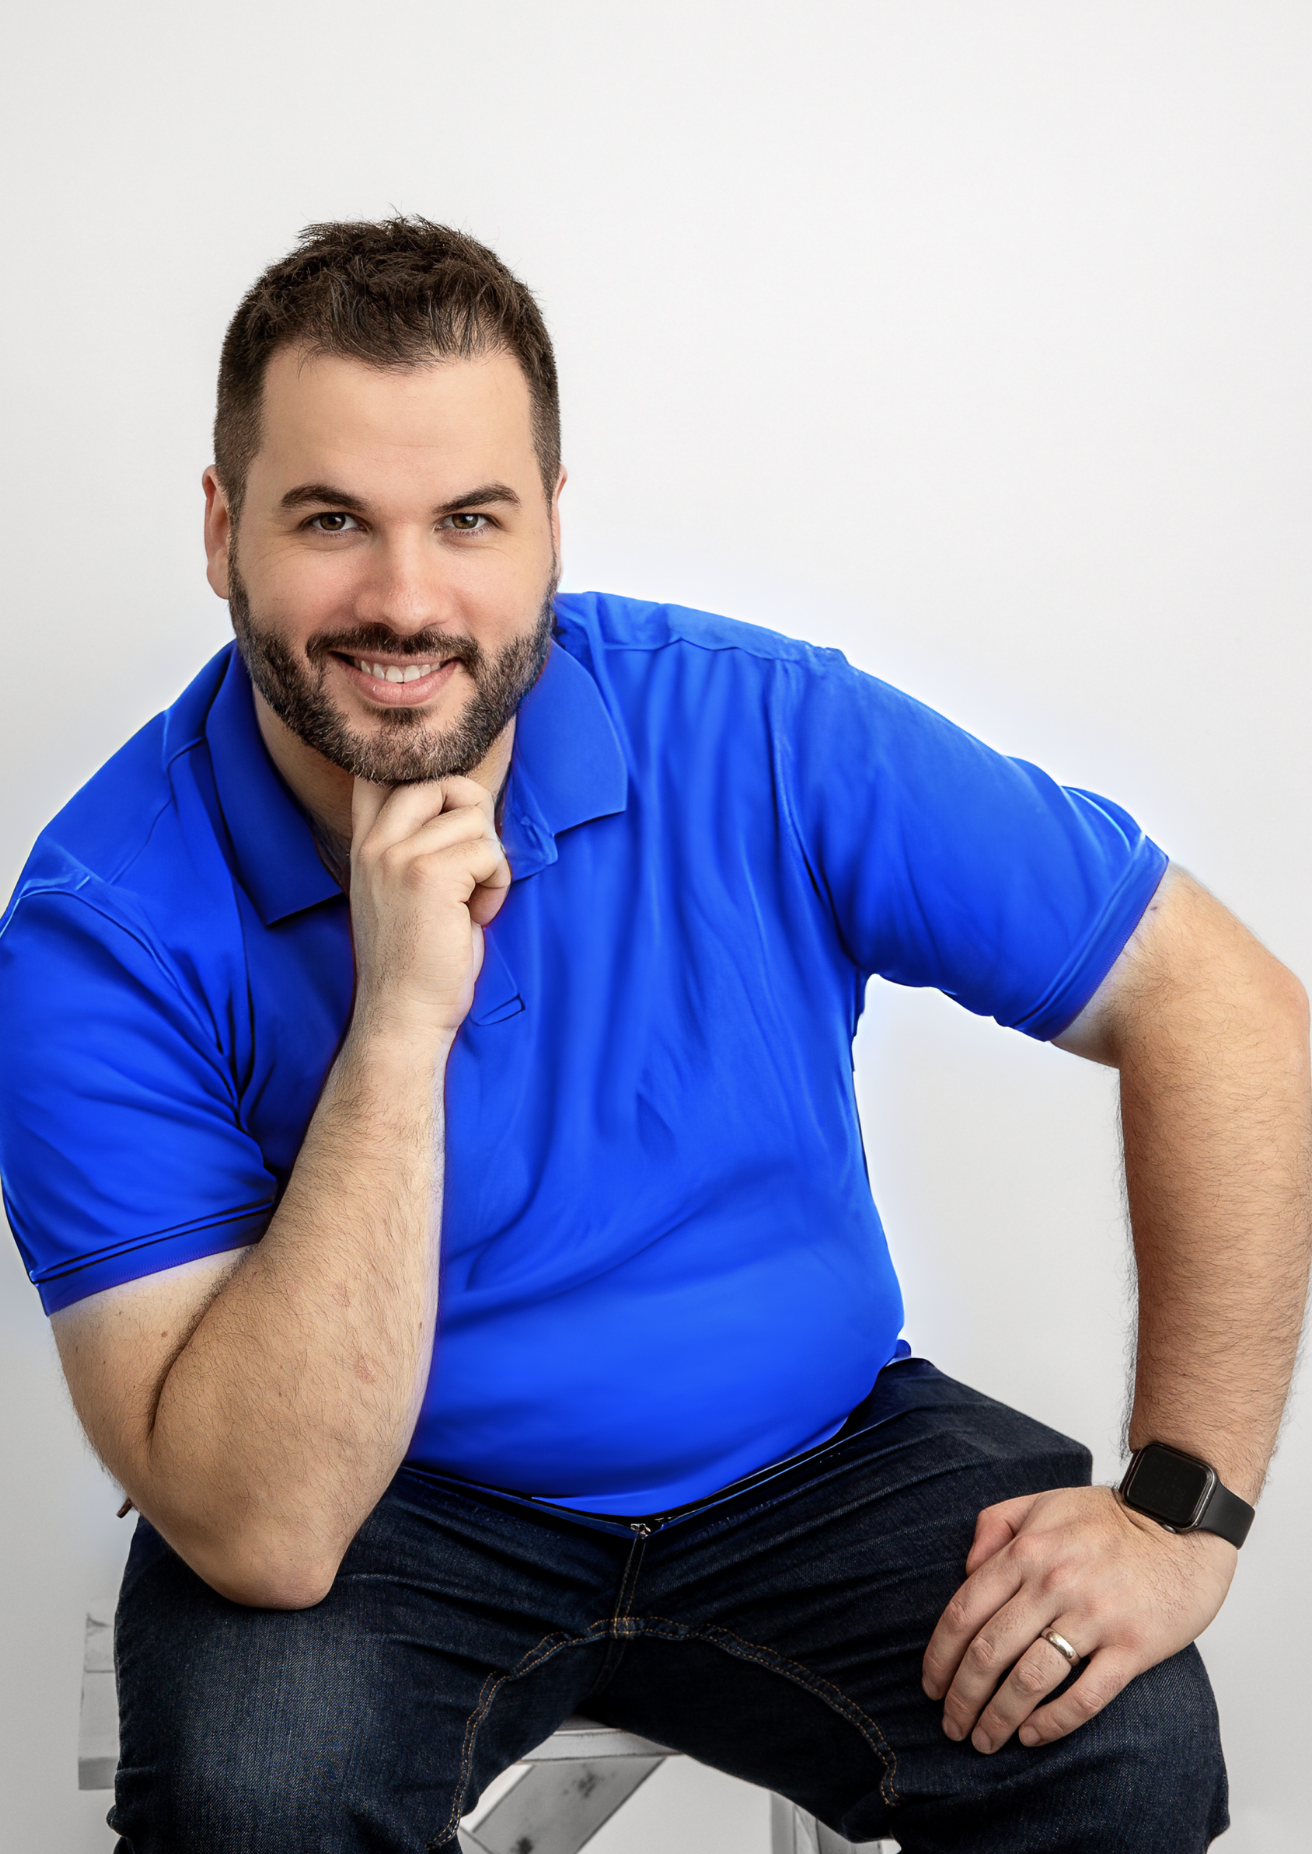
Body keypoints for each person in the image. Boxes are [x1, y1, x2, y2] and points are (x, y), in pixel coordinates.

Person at [0, 219, 1306, 1854]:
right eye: (332, 519)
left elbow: (1224, 1006)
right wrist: (401, 1014)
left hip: (812, 1457)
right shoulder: (98, 923)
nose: (406, 599)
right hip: (384, 1507)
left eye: (470, 519)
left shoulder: (758, 725)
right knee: (251, 1799)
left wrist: (1182, 1511)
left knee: (1120, 1745)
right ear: (222, 529)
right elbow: (263, 1531)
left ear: (551, 525)